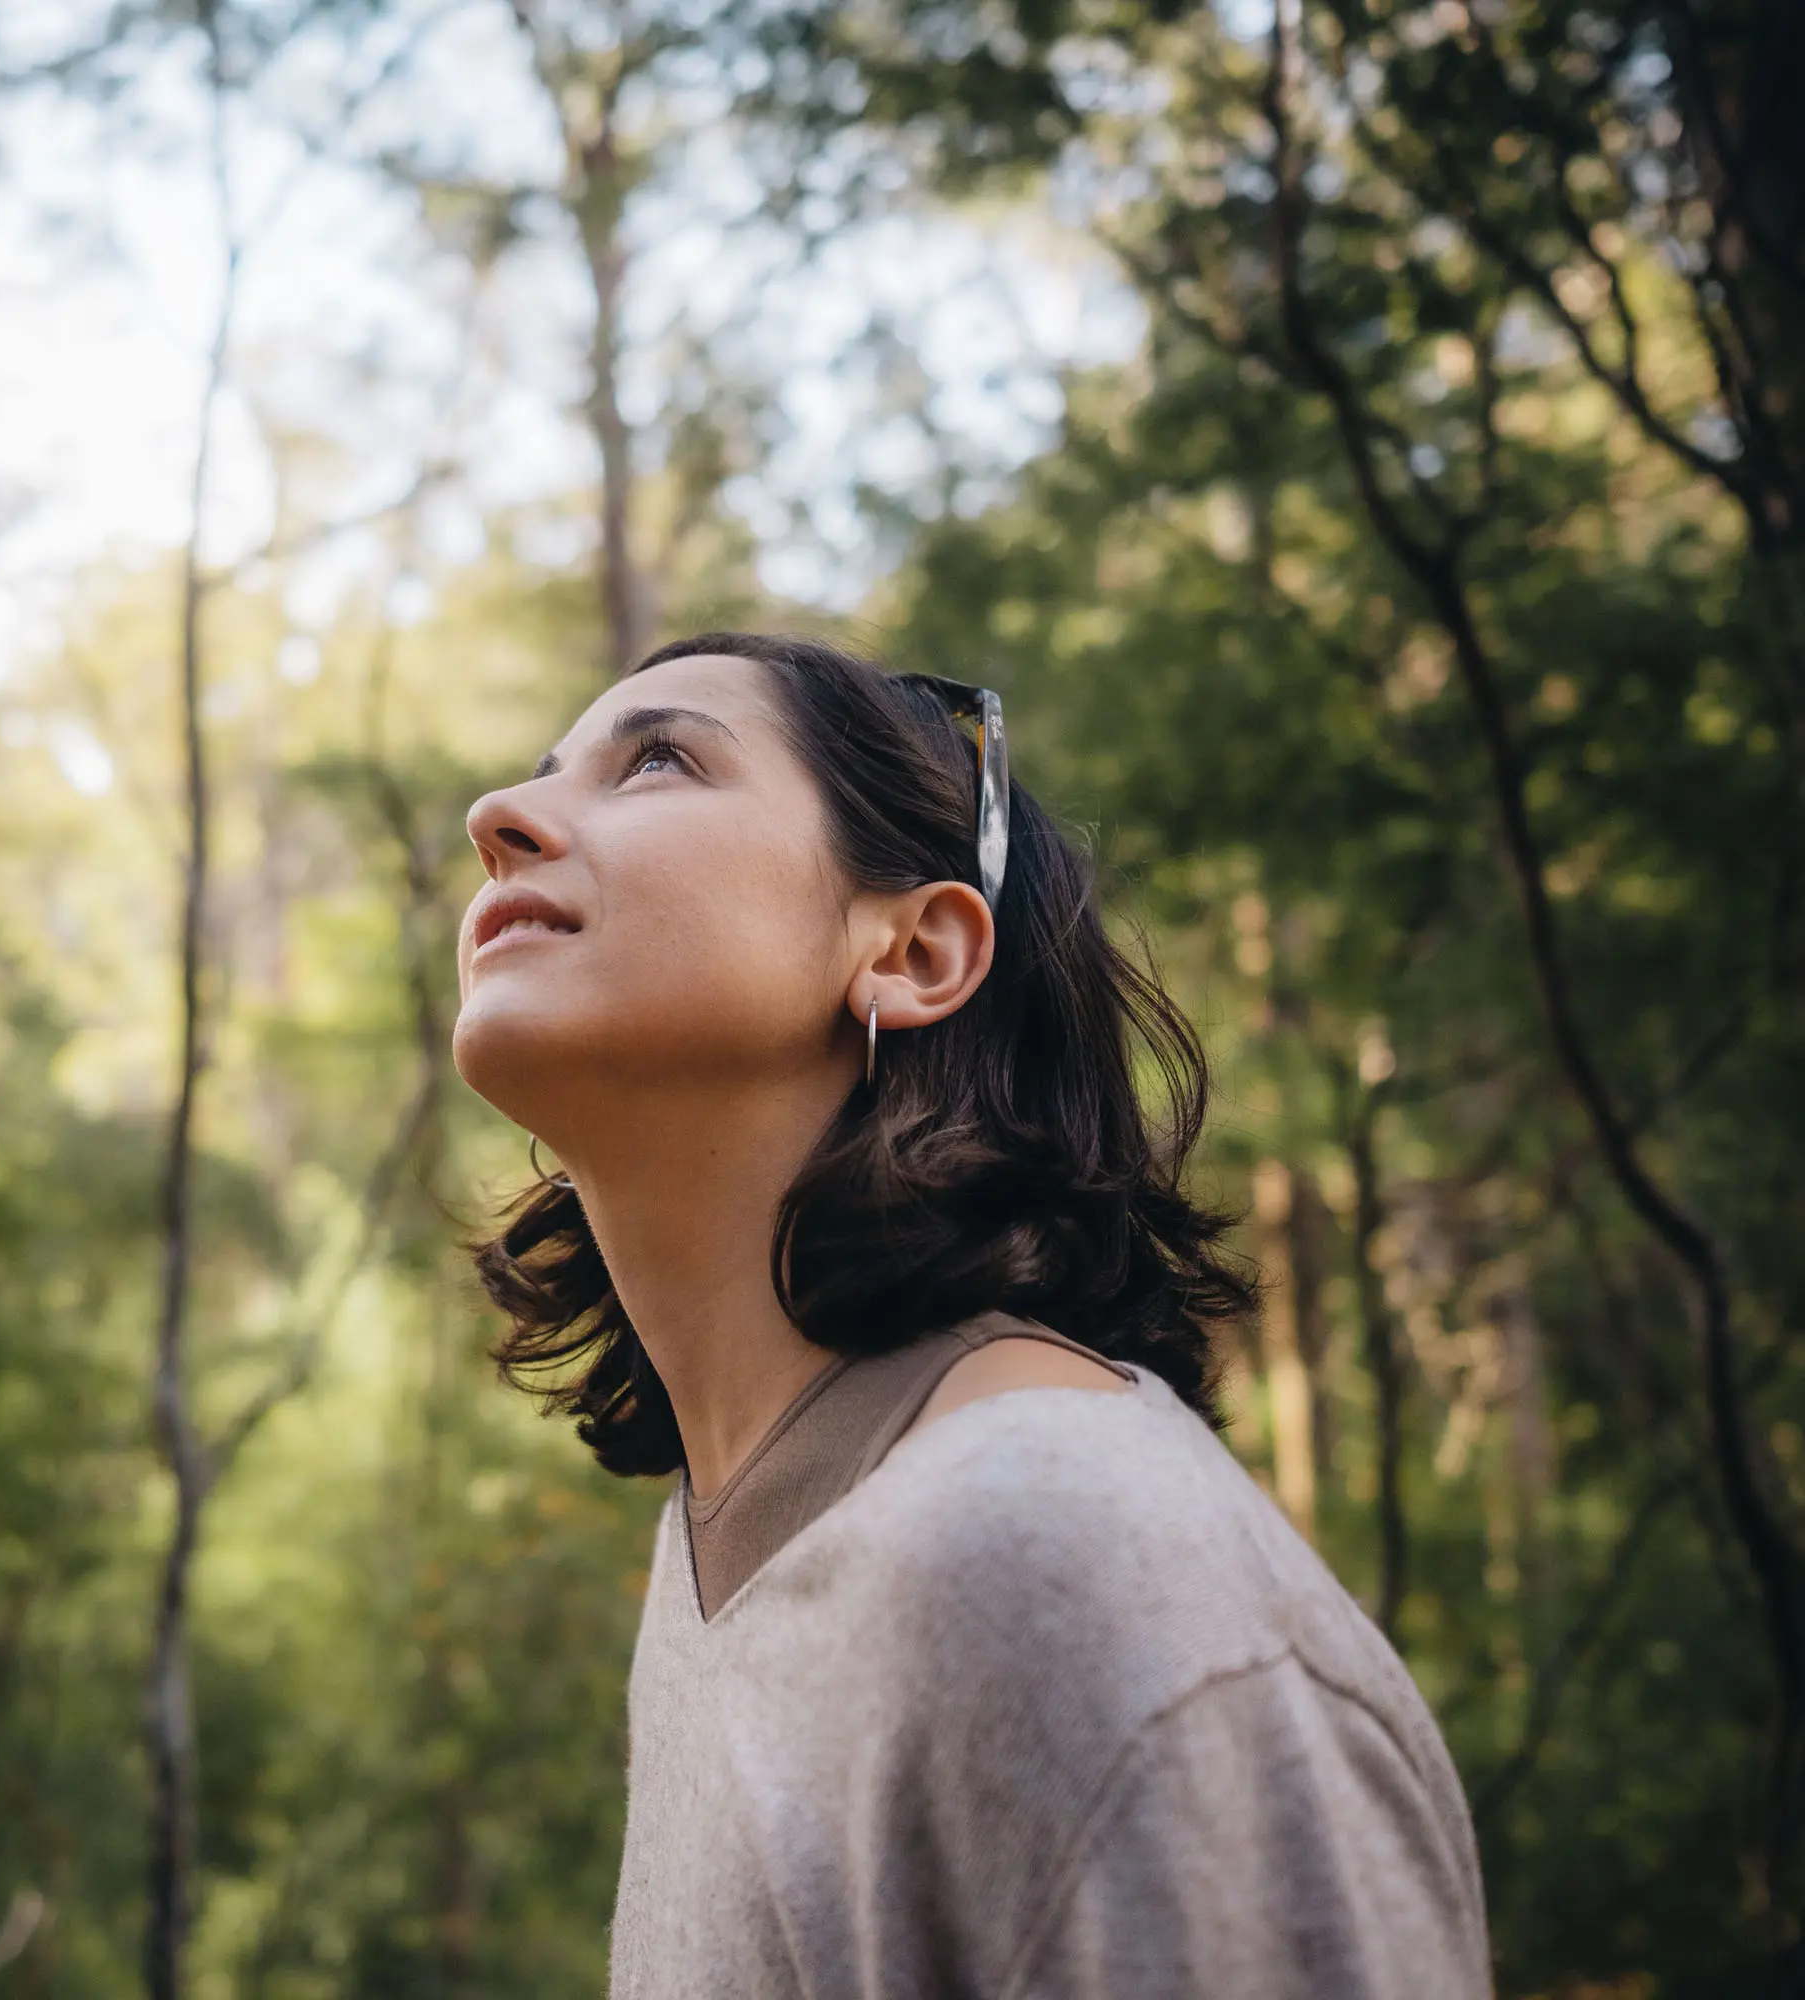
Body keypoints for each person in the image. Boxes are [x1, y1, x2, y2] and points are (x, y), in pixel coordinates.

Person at [452, 633, 1489, 1999]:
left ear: (915, 949)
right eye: (540, 776)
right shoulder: (736, 1549)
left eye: (657, 759)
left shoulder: (1060, 1553)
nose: (498, 821)